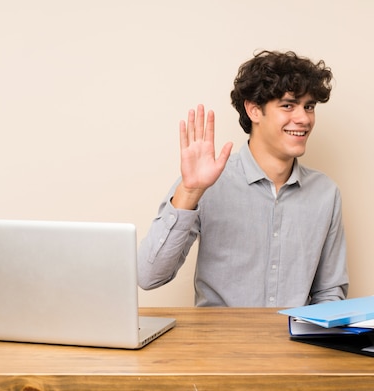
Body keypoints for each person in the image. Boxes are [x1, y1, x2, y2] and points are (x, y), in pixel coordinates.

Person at [138, 50, 348, 307]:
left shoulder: (325, 193)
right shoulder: (208, 182)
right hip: (219, 344)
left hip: (296, 343)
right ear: (254, 110)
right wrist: (190, 192)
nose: (303, 118)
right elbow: (148, 277)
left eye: (309, 107)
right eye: (288, 105)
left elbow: (330, 292)